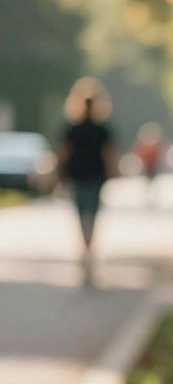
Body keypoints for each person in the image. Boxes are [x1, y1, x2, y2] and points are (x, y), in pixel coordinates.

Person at [58, 77, 117, 286]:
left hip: (79, 175)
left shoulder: (73, 128)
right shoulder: (101, 129)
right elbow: (109, 155)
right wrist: (112, 173)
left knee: (81, 212)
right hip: (94, 176)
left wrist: (58, 174)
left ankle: (86, 248)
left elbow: (64, 154)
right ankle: (88, 249)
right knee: (91, 213)